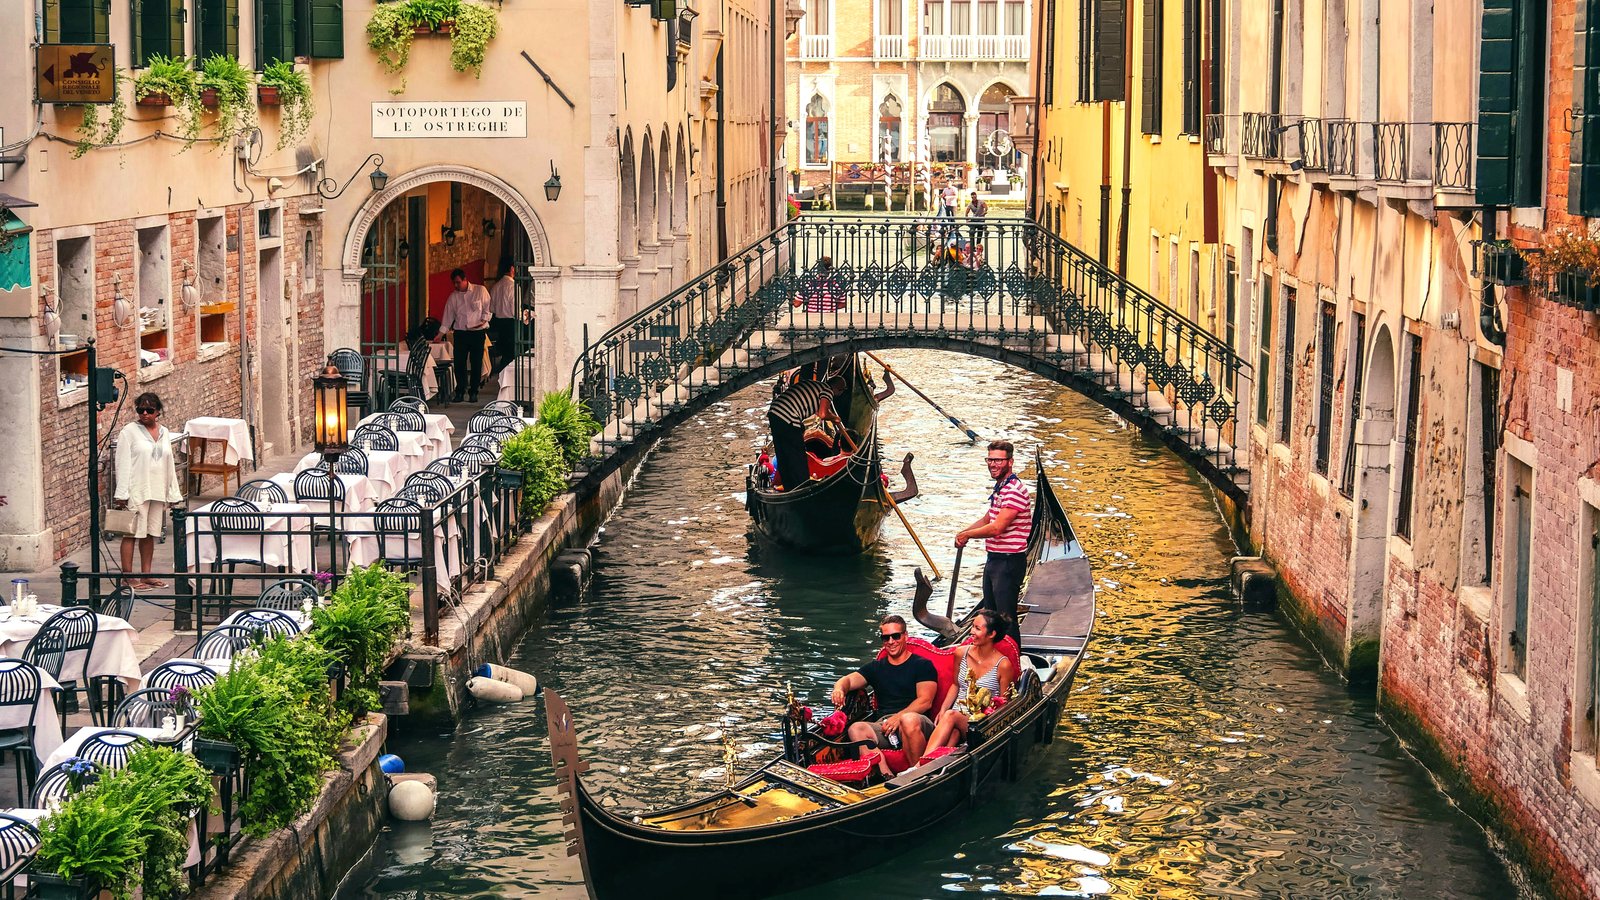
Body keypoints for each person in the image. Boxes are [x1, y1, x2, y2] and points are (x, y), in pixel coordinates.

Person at [830, 615, 938, 772]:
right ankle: (885, 774)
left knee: (908, 720)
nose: (891, 642)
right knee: (856, 729)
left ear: (905, 636)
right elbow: (848, 680)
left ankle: (917, 775)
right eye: (886, 638)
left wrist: (898, 717)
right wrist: (839, 689)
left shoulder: (922, 665)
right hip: (885, 726)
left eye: (896, 636)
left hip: (917, 722)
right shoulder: (875, 668)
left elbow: (925, 701)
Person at [955, 440, 1032, 646]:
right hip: (995, 559)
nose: (993, 464)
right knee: (990, 616)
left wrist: (969, 536)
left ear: (1010, 462)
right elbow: (988, 518)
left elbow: (998, 527)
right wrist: (964, 532)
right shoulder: (1001, 487)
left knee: (1006, 619)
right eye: (990, 460)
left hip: (1008, 562)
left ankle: (1013, 665)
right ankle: (991, 660)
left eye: (998, 460)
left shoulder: (1015, 490)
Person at [112, 392, 183, 590]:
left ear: (157, 412)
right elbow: (123, 462)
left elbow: (169, 463)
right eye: (140, 409)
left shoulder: (164, 432)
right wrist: (122, 494)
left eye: (149, 410)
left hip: (157, 489)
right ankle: (128, 577)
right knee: (132, 533)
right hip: (137, 489)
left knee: (150, 533)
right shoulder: (129, 432)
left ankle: (146, 574)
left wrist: (173, 493)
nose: (144, 413)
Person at [926, 609, 1016, 751]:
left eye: (977, 628)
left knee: (951, 716)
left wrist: (948, 714)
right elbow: (955, 685)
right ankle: (928, 765)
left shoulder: (1003, 665)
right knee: (952, 731)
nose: (971, 632)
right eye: (972, 626)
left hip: (982, 724)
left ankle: (920, 765)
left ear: (992, 634)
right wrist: (942, 710)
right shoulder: (961, 653)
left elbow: (1004, 705)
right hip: (955, 719)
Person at [439, 268, 492, 403]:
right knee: (459, 363)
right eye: (454, 283)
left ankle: (474, 391)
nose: (456, 285)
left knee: (476, 363)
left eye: (458, 282)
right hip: (461, 333)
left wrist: (483, 322)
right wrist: (440, 334)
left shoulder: (480, 291)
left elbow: (488, 308)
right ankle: (460, 391)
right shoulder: (453, 297)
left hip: (477, 333)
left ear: (465, 280)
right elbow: (448, 317)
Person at [487, 257, 519, 381]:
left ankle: (503, 376)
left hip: (499, 322)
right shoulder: (513, 287)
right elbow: (515, 310)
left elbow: (492, 308)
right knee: (511, 352)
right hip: (511, 322)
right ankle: (508, 378)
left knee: (505, 350)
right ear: (512, 269)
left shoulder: (495, 287)